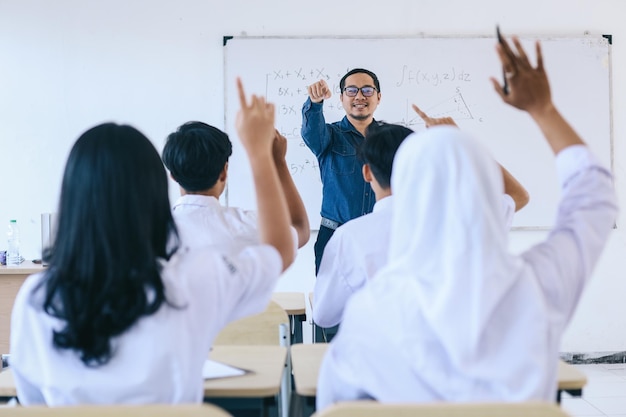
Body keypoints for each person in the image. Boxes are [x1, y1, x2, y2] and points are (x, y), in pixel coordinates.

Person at [316, 35, 618, 409]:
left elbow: (335, 405)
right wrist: (542, 109)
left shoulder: (370, 313)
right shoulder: (535, 286)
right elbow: (594, 200)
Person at [9, 78, 296, 405]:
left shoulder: (37, 298)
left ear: (72, 197)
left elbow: (33, 406)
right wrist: (260, 154)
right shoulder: (193, 279)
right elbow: (280, 249)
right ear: (154, 192)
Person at [313, 117, 529, 331]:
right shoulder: (463, 221)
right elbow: (517, 195)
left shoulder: (351, 237)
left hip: (382, 359)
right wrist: (458, 141)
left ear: (367, 172)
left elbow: (323, 315)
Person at [162, 121, 309, 252]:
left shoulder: (155, 231)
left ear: (173, 176)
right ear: (223, 172)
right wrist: (279, 161)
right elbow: (299, 228)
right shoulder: (247, 224)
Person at [302, 68, 381, 274]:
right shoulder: (330, 135)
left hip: (379, 235)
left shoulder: (388, 138)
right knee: (332, 305)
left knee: (381, 303)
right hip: (335, 236)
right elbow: (311, 133)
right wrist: (315, 103)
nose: (359, 96)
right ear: (342, 97)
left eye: (367, 90)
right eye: (352, 90)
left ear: (378, 97)